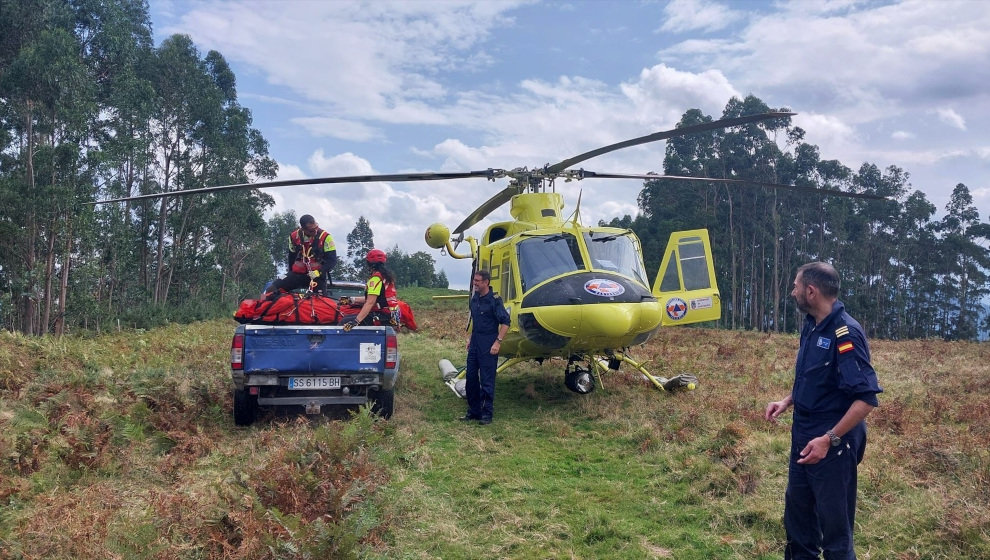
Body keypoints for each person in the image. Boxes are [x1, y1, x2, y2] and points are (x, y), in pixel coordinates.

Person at [765, 262, 883, 560]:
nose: (792, 292)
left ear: (811, 291)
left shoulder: (846, 335)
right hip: (803, 438)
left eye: (795, 286)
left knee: (835, 532)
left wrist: (828, 438)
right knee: (798, 523)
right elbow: (816, 377)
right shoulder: (812, 324)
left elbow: (866, 398)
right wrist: (788, 400)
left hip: (832, 447)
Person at [461, 269, 510, 425]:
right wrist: (470, 339)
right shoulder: (475, 299)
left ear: (486, 282)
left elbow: (506, 322)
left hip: (489, 342)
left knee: (487, 379)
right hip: (475, 341)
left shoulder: (494, 300)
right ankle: (473, 411)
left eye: (478, 281)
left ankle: (486, 414)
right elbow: (476, 322)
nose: (475, 283)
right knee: (471, 378)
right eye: (474, 280)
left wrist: (498, 342)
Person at [268, 214, 337, 295]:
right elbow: (291, 257)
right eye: (311, 230)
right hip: (297, 274)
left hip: (316, 276)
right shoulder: (293, 237)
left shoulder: (326, 237)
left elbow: (332, 261)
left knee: (320, 300)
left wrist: (319, 272)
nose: (315, 231)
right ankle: (262, 304)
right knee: (272, 288)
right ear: (303, 229)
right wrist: (290, 274)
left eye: (316, 228)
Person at [343, 249, 397, 329]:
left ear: (370, 264)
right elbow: (374, 299)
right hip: (390, 315)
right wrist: (351, 299)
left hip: (382, 316)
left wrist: (356, 321)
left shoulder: (375, 279)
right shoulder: (385, 277)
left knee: (344, 321)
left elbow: (370, 302)